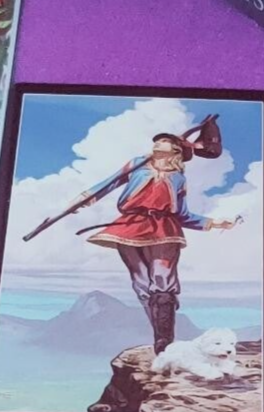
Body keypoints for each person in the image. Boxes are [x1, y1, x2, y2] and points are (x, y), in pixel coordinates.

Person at [76, 132, 236, 354]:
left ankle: (164, 342)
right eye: (157, 141)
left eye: (164, 141)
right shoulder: (136, 165)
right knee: (141, 284)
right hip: (130, 226)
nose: (157, 143)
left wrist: (214, 223)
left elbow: (182, 214)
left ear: (176, 150)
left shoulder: (178, 178)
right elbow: (108, 184)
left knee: (163, 282)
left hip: (164, 229)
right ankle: (161, 340)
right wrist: (82, 200)